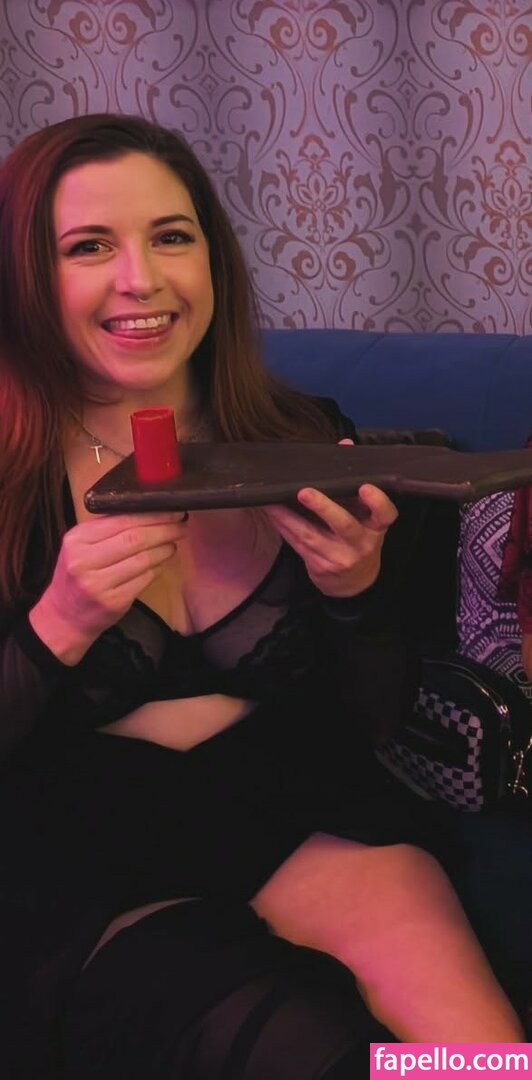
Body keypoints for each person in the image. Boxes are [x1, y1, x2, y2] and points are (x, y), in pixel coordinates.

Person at [0, 114, 524, 1079]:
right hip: (88, 861)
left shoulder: (301, 435)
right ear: (26, 276)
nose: (140, 280)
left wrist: (355, 591)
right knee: (331, 1057)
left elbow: (376, 721)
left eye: (171, 236)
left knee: (484, 1064)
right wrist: (56, 626)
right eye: (89, 247)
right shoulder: (10, 472)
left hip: (294, 815)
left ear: (213, 258)